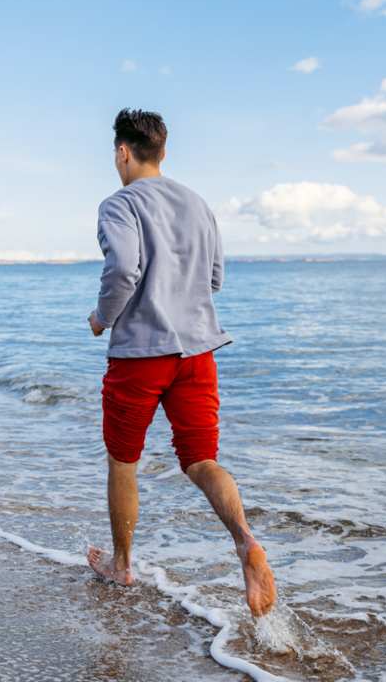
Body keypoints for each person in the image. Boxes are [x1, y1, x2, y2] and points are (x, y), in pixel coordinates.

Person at [85, 108, 276, 618]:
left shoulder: (118, 204)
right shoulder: (197, 203)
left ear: (122, 152)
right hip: (198, 352)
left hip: (141, 355)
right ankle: (245, 540)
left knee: (124, 461)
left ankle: (122, 564)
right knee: (201, 459)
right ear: (163, 152)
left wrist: (102, 317)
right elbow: (214, 279)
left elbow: (124, 269)